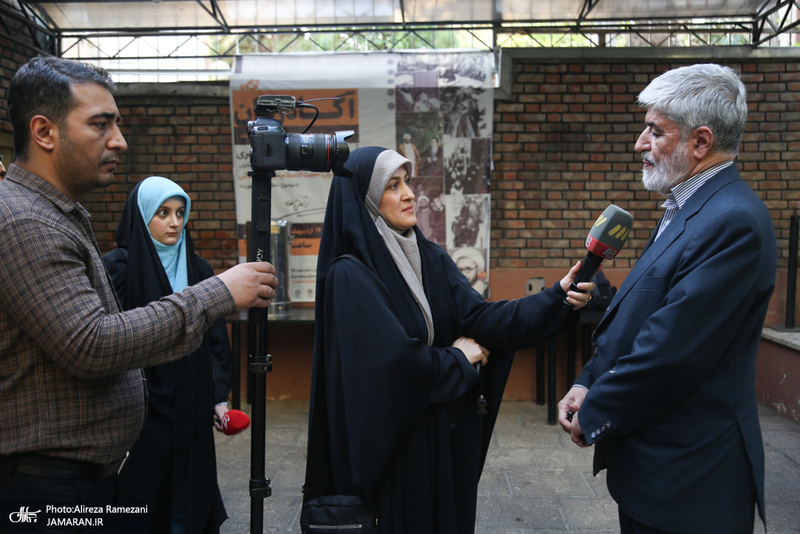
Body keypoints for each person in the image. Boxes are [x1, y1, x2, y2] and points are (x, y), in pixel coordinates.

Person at [0, 56, 277, 512]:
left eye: (118, 124)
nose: (120, 140)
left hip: (81, 479)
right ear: (45, 132)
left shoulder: (55, 215)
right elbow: (91, 344)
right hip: (48, 488)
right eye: (101, 124)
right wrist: (219, 292)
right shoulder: (25, 221)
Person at [302, 146, 595, 534]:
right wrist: (457, 358)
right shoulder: (350, 275)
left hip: (438, 440)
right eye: (393, 185)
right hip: (396, 454)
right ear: (366, 198)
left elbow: (480, 318)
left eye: (408, 182)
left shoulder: (430, 258)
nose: (409, 194)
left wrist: (556, 298)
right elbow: (391, 368)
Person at [557, 63, 776, 534]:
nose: (640, 143)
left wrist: (595, 411)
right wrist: (588, 380)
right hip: (655, 474)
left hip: (691, 484)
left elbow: (670, 352)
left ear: (700, 142)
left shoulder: (733, 221)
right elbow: (643, 313)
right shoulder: (686, 206)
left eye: (655, 131)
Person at [103, 176, 232, 533]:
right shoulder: (117, 268)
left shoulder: (198, 269)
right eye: (162, 213)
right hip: (140, 403)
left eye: (179, 213)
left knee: (190, 489)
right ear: (141, 215)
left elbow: (215, 342)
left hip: (191, 397)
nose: (174, 222)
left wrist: (219, 398)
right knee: (143, 491)